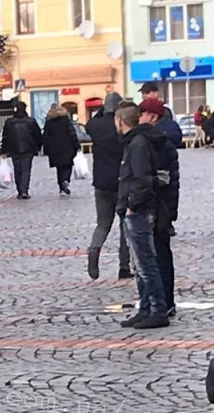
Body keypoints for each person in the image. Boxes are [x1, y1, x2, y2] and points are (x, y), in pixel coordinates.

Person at [115, 102, 169, 330]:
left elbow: (142, 179)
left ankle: (157, 309)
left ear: (120, 121)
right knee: (139, 265)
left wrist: (131, 204)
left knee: (146, 263)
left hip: (138, 210)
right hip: (135, 208)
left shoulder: (137, 144)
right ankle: (145, 308)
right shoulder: (135, 142)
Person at [139, 99, 180, 318]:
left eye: (142, 114)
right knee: (159, 254)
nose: (139, 118)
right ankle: (162, 301)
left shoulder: (160, 142)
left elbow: (163, 179)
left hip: (160, 207)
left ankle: (165, 301)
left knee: (160, 256)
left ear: (153, 117)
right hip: (163, 206)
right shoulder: (161, 140)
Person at [85, 92, 132, 280]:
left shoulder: (96, 126)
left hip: (101, 182)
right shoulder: (121, 126)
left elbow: (88, 125)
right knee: (124, 225)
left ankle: (94, 249)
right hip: (121, 182)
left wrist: (100, 112)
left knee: (103, 224)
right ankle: (124, 267)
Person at [0, 101, 42, 199]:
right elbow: (38, 135)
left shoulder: (9, 122)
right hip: (28, 149)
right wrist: (38, 146)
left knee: (17, 170)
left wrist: (4, 150)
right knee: (26, 170)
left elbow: (5, 137)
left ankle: (20, 190)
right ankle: (24, 190)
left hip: (14, 149)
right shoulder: (30, 121)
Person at [42, 104, 80, 196]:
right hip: (68, 147)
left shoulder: (49, 121)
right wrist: (77, 145)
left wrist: (45, 149)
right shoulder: (66, 120)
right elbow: (72, 133)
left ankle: (61, 187)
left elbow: (45, 136)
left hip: (54, 149)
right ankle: (66, 180)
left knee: (59, 168)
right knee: (68, 166)